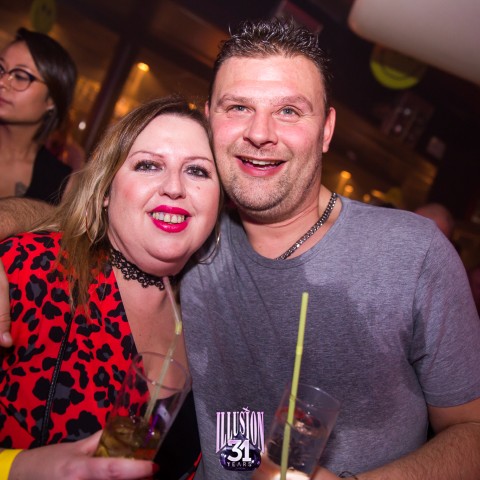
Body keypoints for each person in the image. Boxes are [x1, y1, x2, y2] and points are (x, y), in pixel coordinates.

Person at [1, 17, 480, 480]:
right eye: (238, 107)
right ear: (211, 119)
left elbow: (472, 430)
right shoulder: (197, 241)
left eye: (289, 111)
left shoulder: (414, 255)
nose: (260, 133)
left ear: (327, 129)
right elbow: (83, 211)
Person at [0, 95, 220, 479]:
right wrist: (18, 468)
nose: (174, 187)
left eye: (197, 171)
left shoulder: (211, 322)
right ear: (105, 191)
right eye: (148, 165)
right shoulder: (29, 271)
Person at [0, 27, 76, 204]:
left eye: (20, 76)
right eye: (1, 69)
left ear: (52, 100)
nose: (2, 82)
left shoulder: (61, 184)